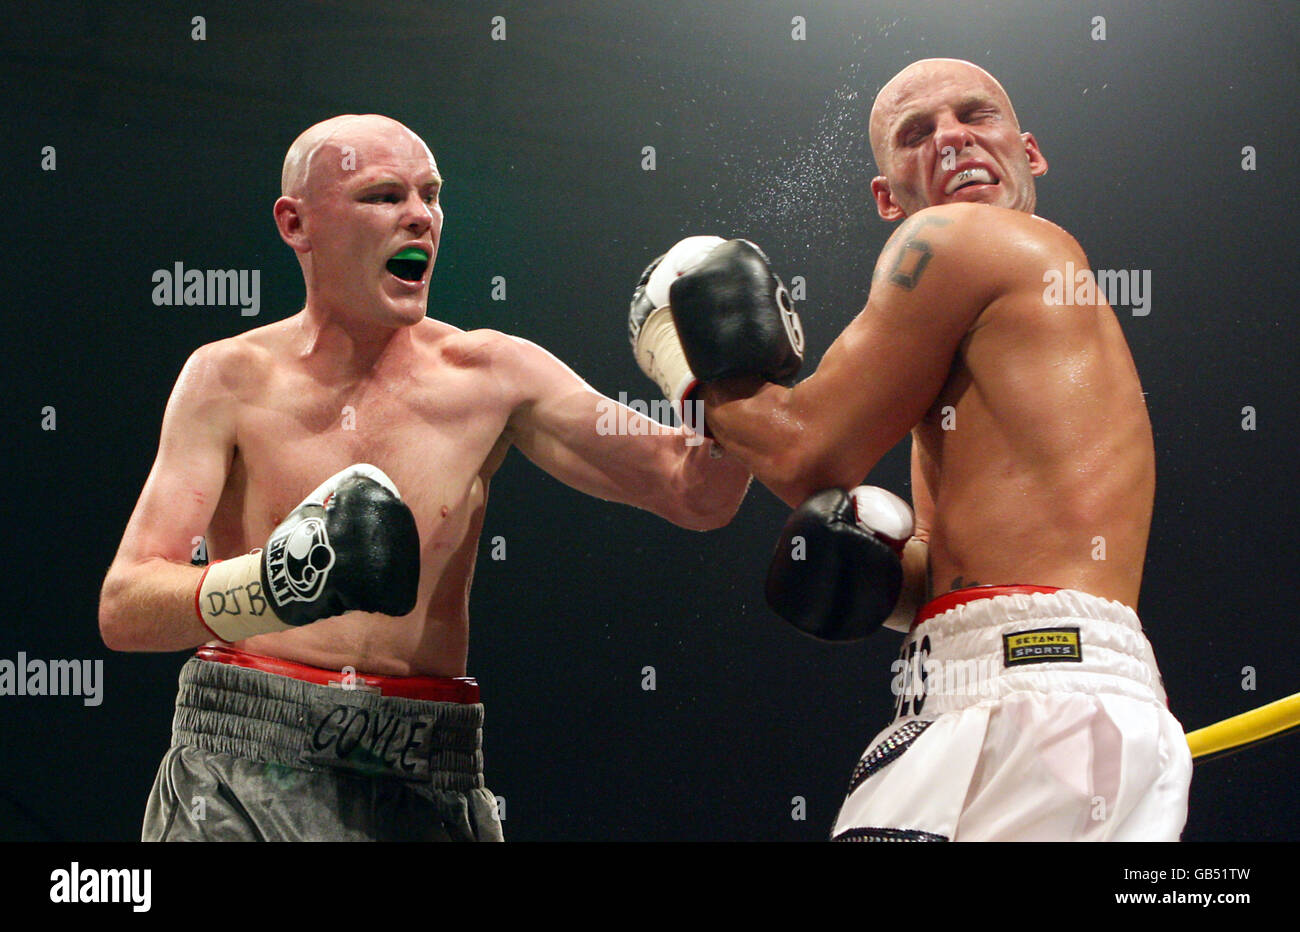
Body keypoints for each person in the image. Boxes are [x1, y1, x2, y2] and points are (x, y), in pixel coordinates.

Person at [99, 114, 750, 842]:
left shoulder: (495, 376)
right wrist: (278, 584)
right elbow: (126, 607)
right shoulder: (229, 379)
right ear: (296, 223)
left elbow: (698, 494)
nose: (420, 216)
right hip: (243, 765)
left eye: (431, 195)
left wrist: (724, 375)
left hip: (428, 770)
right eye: (383, 195)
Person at [630, 59, 1192, 841]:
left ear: (1029, 152)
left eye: (976, 115)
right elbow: (1006, 566)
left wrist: (686, 369)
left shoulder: (957, 237)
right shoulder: (1048, 297)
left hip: (1028, 702)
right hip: (1067, 697)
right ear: (886, 195)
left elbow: (803, 455)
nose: (953, 137)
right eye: (917, 133)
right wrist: (880, 572)